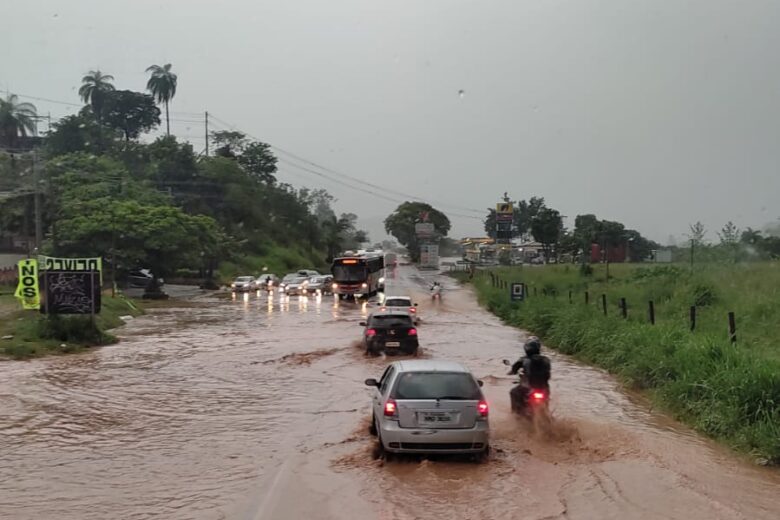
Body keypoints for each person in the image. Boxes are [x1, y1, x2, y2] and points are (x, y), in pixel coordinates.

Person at [508, 336, 551, 411]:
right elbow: (548, 374)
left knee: (513, 392)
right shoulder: (546, 360)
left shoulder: (523, 359)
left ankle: (515, 415)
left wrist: (512, 372)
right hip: (544, 388)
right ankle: (546, 413)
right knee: (546, 399)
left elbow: (514, 369)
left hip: (528, 388)